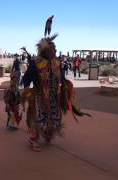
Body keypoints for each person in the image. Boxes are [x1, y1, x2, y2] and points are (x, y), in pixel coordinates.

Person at [22, 18, 90, 151]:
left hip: (54, 95)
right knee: (40, 117)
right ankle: (33, 139)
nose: (55, 50)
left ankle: (48, 135)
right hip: (40, 96)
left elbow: (62, 77)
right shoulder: (36, 63)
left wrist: (66, 86)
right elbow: (26, 78)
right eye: (53, 48)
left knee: (54, 117)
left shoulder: (57, 63)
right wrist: (27, 90)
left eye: (55, 48)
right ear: (45, 51)